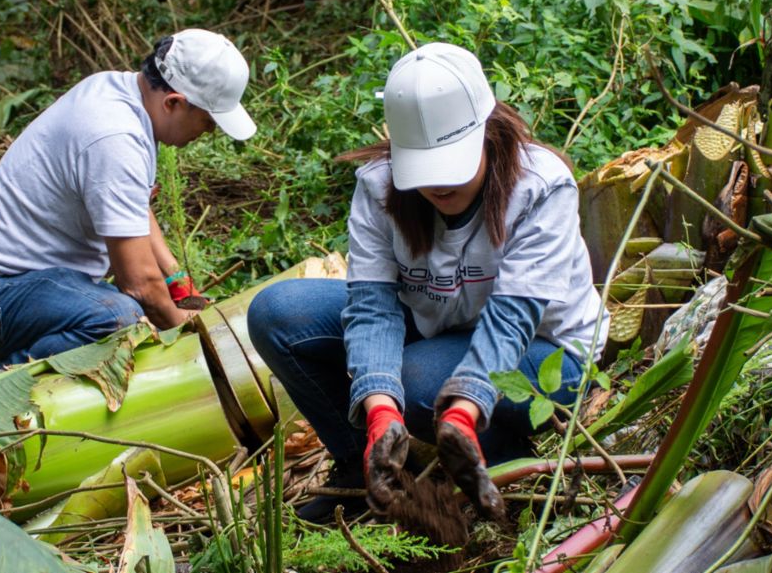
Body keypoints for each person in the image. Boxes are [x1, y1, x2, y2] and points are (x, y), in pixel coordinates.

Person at [247, 43, 609, 523]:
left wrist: (463, 408)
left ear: (487, 131)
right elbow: (372, 307)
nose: (438, 187)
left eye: (451, 165)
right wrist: (379, 411)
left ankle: (499, 455)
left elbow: (513, 318)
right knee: (278, 313)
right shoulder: (380, 187)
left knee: (418, 377)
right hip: (440, 326)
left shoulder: (540, 187)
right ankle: (369, 467)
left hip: (546, 350)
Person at [0, 29, 256, 370]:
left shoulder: (119, 92)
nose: (208, 132)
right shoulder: (115, 136)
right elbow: (140, 286)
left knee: (123, 312)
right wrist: (203, 347)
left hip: (24, 286)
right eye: (207, 121)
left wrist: (177, 281)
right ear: (174, 102)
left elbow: (131, 207)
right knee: (119, 318)